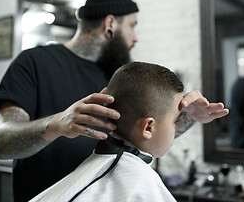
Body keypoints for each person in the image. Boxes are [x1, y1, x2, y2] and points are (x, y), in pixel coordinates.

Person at [0, 0, 229, 202]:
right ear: (111, 23)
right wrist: (57, 123)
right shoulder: (34, 63)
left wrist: (189, 116)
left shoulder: (120, 77)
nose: (135, 37)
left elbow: (145, 133)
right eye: (132, 25)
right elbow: (2, 143)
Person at [30, 61, 184, 201]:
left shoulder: (95, 168)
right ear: (148, 128)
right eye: (175, 121)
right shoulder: (141, 184)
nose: (177, 127)